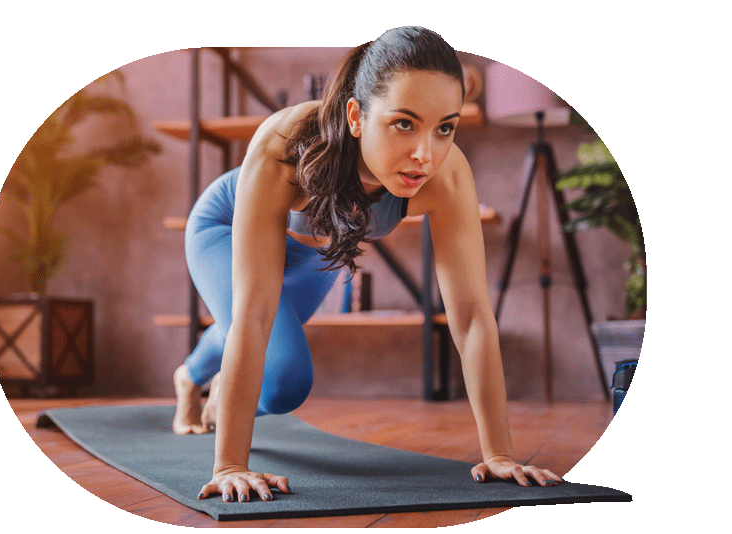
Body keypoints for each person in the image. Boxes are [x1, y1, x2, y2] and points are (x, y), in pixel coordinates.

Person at [173, 27, 564, 504]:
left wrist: (499, 453)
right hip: (224, 230)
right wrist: (231, 465)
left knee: (274, 371)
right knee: (283, 381)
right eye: (404, 123)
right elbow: (253, 314)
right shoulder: (286, 143)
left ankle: (201, 376)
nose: (425, 153)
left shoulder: (446, 175)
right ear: (357, 116)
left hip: (318, 249)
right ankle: (192, 377)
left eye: (445, 127)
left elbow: (473, 318)